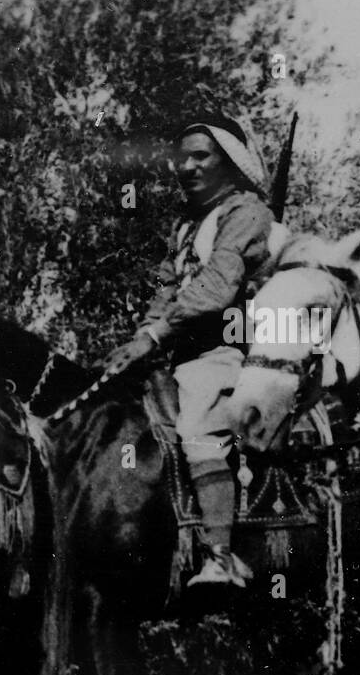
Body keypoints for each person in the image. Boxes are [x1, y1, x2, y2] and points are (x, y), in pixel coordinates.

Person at [105, 113, 276, 587]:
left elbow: (217, 290)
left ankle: (221, 557)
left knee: (199, 420)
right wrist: (142, 335)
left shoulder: (245, 212)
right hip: (178, 353)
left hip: (230, 349)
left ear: (229, 162)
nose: (188, 166)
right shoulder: (185, 226)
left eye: (201, 156)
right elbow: (165, 290)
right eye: (182, 157)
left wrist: (156, 336)